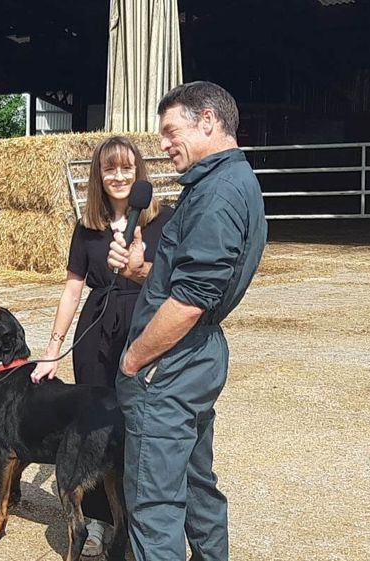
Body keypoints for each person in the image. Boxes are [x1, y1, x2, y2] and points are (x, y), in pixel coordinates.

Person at [108, 82, 267, 561]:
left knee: (153, 502)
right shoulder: (230, 182)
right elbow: (194, 281)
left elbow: (192, 300)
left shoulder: (217, 195)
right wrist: (143, 272)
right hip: (196, 354)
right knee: (197, 484)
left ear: (208, 121)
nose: (163, 144)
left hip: (171, 361)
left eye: (170, 131)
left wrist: (134, 360)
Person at [31, 135, 172, 556]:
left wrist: (139, 268)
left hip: (144, 324)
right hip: (96, 330)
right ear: (98, 176)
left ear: (139, 172)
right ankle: (95, 521)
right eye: (110, 169)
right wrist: (53, 349)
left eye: (127, 168)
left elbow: (174, 280)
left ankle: (137, 522)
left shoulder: (164, 220)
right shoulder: (87, 228)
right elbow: (72, 290)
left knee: (138, 423)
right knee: (93, 427)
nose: (119, 176)